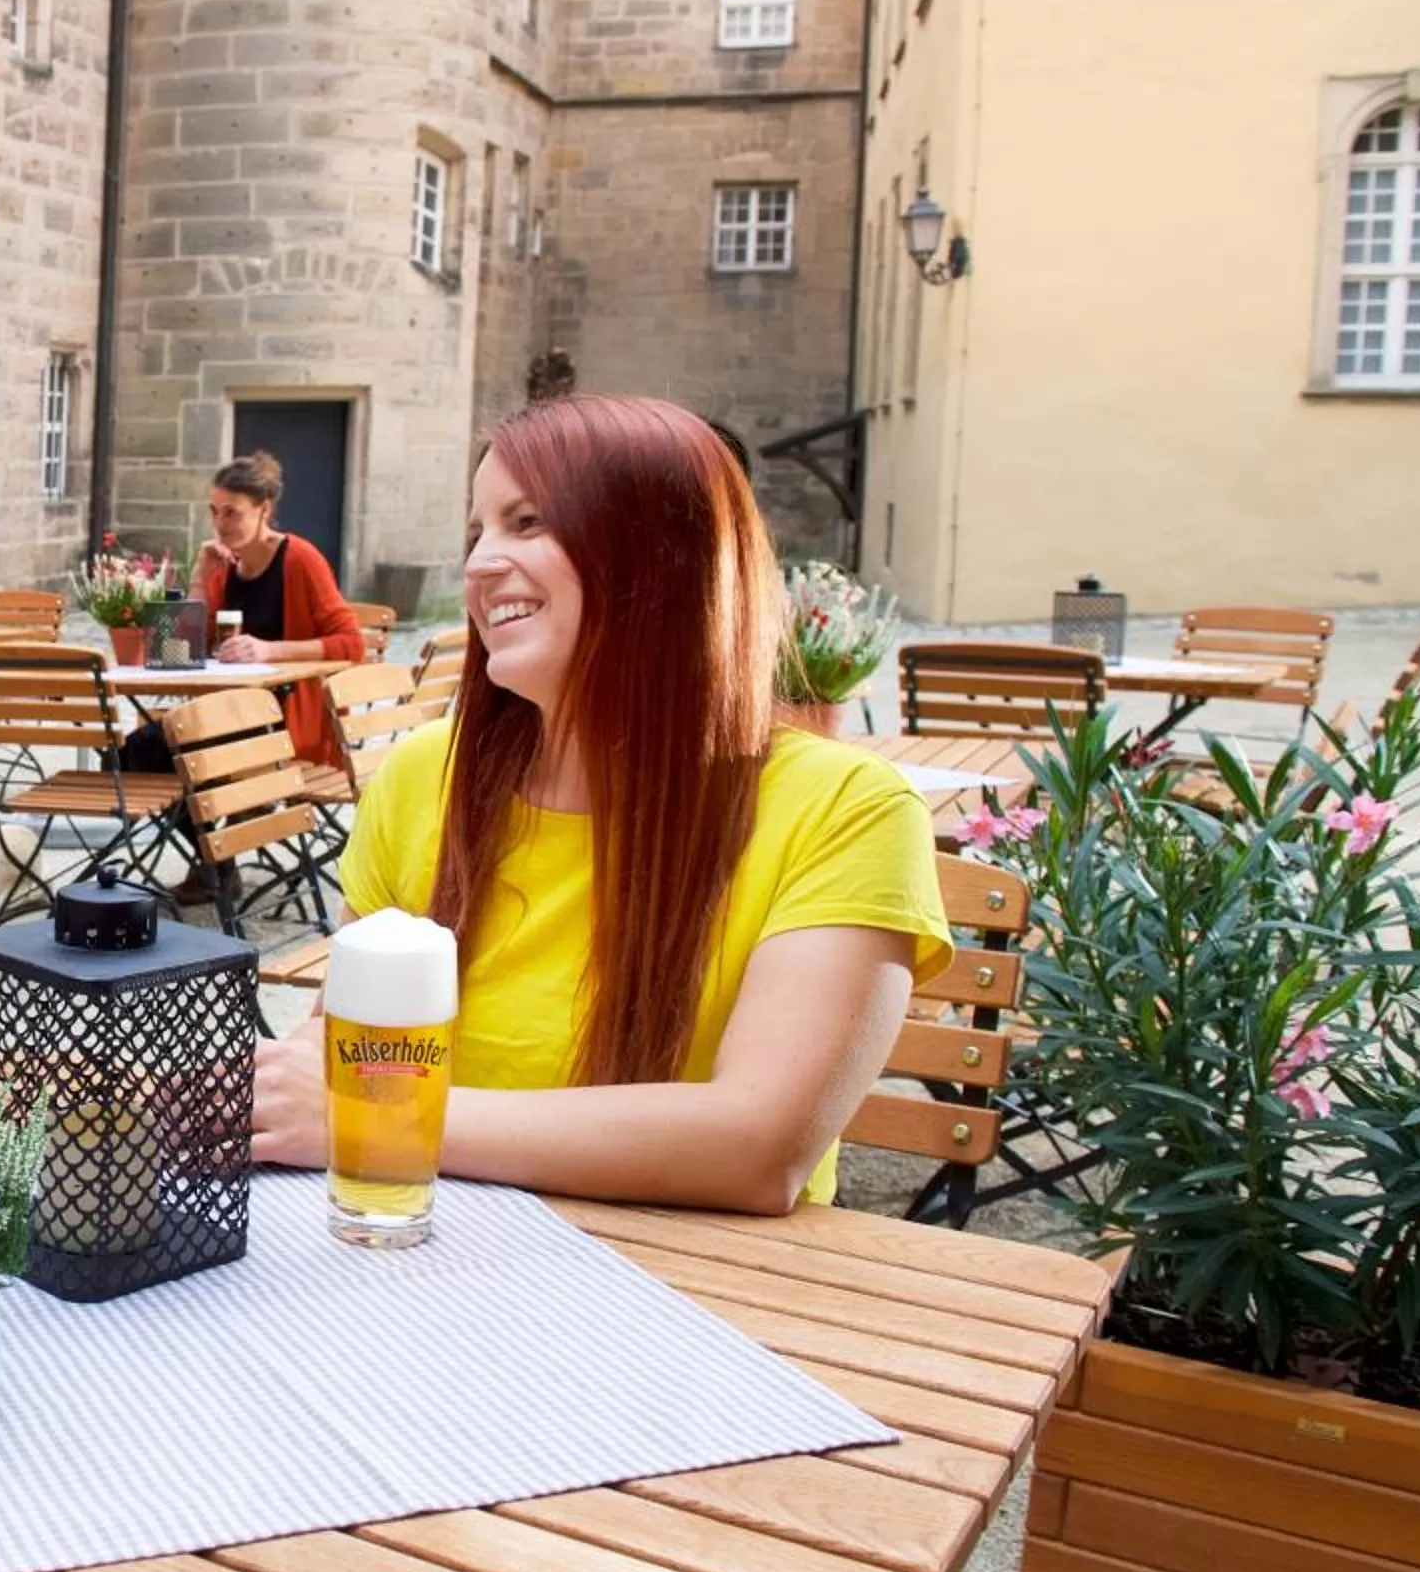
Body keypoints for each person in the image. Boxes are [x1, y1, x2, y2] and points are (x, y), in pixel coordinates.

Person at [252, 395, 953, 1214]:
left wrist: (384, 1117)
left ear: (667, 557)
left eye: (529, 523)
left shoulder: (847, 810)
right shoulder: (421, 778)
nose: (479, 565)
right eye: (478, 531)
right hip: (427, 1257)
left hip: (703, 1295)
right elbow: (336, 1053)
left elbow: (760, 1145)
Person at [122, 451, 365, 903]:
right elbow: (176, 651)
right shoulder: (222, 565)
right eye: (214, 511)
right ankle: (219, 864)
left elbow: (351, 643)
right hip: (225, 716)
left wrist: (270, 649)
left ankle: (216, 867)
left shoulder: (299, 559)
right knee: (135, 755)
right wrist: (200, 574)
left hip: (289, 722)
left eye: (232, 512)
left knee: (157, 750)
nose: (221, 523)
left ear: (264, 510)